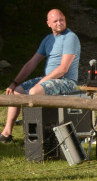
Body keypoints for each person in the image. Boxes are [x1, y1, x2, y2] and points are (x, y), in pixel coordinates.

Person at [2, 9, 81, 144]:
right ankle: (6, 133)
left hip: (66, 81)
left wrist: (41, 83)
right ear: (48, 23)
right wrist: (14, 83)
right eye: (55, 21)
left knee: (35, 91)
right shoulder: (48, 39)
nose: (59, 23)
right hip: (49, 80)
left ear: (65, 19)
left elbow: (63, 69)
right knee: (16, 93)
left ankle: (34, 136)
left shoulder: (70, 38)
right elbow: (32, 63)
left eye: (61, 20)